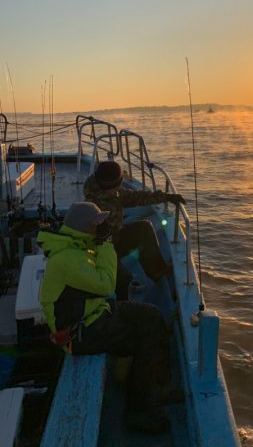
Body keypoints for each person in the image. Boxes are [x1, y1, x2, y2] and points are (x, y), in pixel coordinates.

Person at [38, 202, 182, 434]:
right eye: (98, 225)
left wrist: (100, 244)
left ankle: (157, 386)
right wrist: (106, 245)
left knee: (152, 316)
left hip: (94, 313)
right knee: (141, 338)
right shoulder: (65, 259)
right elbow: (106, 284)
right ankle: (138, 409)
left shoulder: (78, 245)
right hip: (80, 332)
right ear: (86, 228)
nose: (102, 227)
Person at [84, 160, 186, 300]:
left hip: (113, 240)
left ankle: (157, 271)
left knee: (144, 228)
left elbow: (136, 197)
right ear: (116, 183)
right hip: (99, 249)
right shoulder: (95, 205)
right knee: (123, 278)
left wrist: (165, 197)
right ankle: (122, 307)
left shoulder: (109, 193)